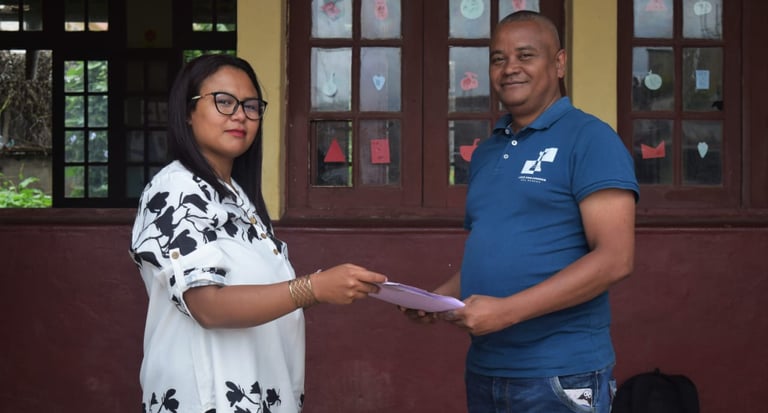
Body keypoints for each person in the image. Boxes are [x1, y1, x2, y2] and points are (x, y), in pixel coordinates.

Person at [402, 11, 639, 413]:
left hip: (561, 375)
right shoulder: (487, 151)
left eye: (525, 55)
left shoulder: (591, 139)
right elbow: (494, 250)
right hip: (487, 370)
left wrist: (507, 312)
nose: (510, 68)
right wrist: (439, 298)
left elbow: (616, 259)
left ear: (559, 63)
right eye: (499, 59)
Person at [129, 54, 387, 413]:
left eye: (250, 106)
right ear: (187, 111)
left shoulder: (236, 197)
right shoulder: (175, 189)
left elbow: (262, 299)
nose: (240, 115)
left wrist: (322, 289)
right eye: (224, 101)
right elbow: (207, 306)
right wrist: (312, 288)